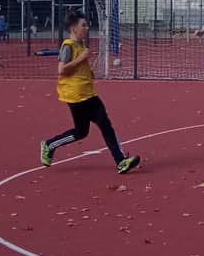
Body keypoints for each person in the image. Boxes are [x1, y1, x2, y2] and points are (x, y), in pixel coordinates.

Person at [40, 11, 140, 174]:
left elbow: (78, 67)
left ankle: (121, 161)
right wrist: (81, 59)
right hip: (76, 96)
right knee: (84, 131)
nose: (87, 28)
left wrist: (89, 71)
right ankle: (49, 144)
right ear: (73, 29)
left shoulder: (81, 46)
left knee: (100, 127)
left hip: (88, 93)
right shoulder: (68, 46)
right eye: (83, 25)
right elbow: (61, 70)